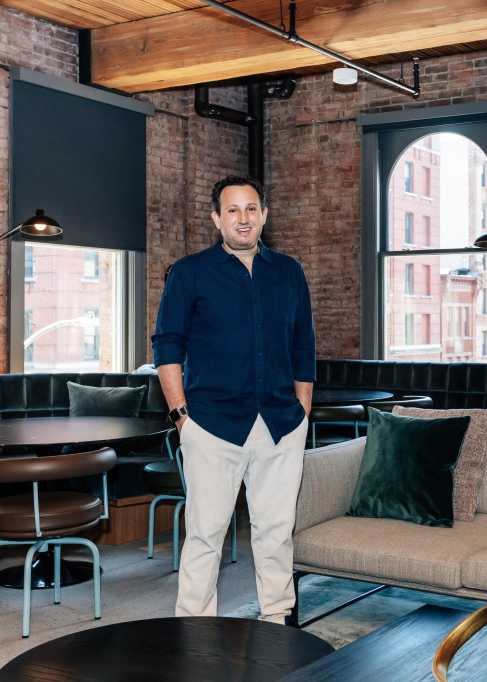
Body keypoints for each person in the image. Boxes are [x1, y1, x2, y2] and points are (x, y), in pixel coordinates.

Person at [151, 175, 315, 624]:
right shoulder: (190, 273)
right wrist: (182, 416)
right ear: (216, 219)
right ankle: (194, 629)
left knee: (276, 532)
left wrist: (302, 410)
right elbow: (167, 346)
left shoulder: (289, 272)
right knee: (206, 535)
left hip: (281, 423)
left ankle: (277, 621)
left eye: (251, 209)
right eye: (232, 210)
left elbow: (304, 345)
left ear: (264, 215)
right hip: (212, 424)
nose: (243, 218)